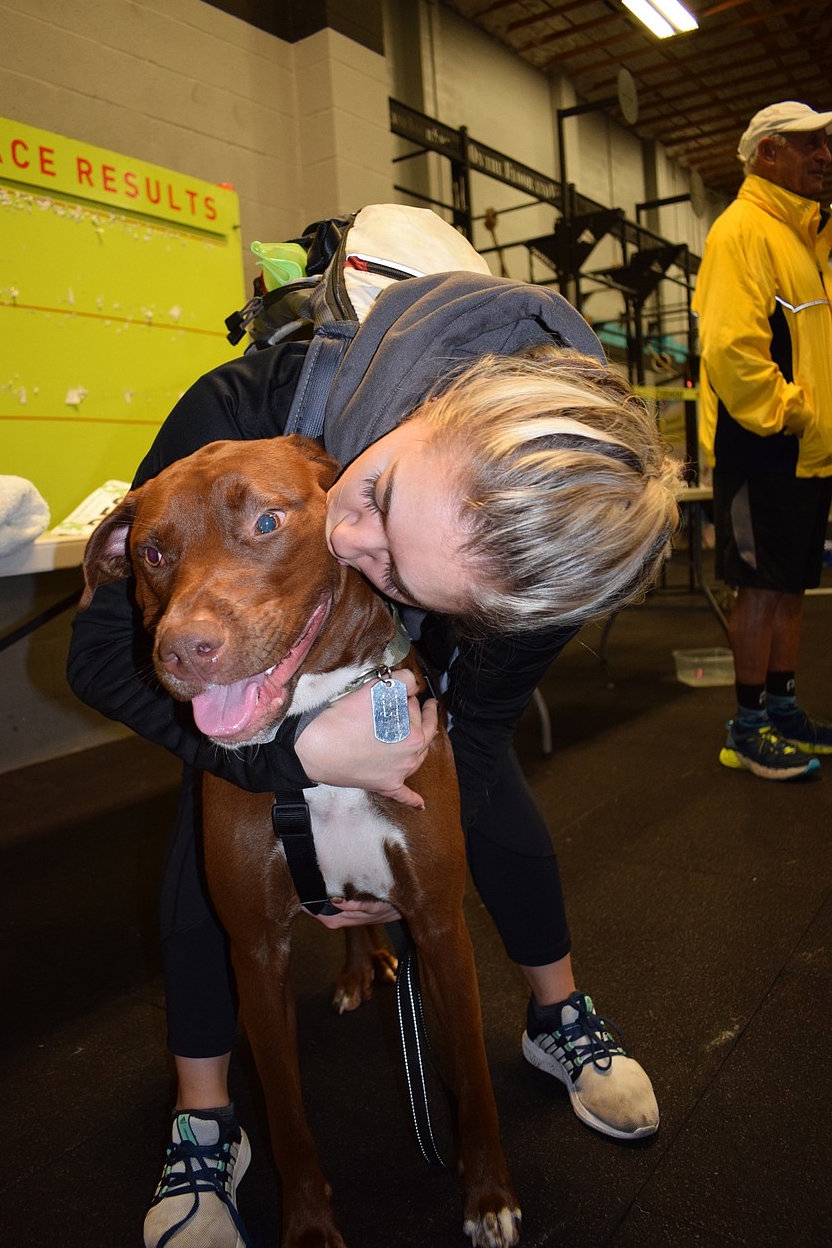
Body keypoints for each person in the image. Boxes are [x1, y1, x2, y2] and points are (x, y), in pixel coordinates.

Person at [67, 263, 681, 1248]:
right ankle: (204, 1115)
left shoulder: (548, 564)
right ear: (433, 407)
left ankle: (555, 1013)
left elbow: (474, 731)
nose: (354, 542)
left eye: (401, 569)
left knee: (488, 807)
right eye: (381, 493)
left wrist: (409, 821)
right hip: (249, 702)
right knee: (208, 816)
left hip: (394, 684)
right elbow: (96, 652)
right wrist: (296, 759)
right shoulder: (248, 409)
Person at [692, 102, 832, 781]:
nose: (826, 155)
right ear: (768, 153)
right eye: (811, 144)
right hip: (762, 443)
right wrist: (792, 412)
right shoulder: (741, 230)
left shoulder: (806, 240)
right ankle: (746, 729)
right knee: (760, 589)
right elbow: (730, 348)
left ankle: (782, 709)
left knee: (791, 589)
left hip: (805, 450)